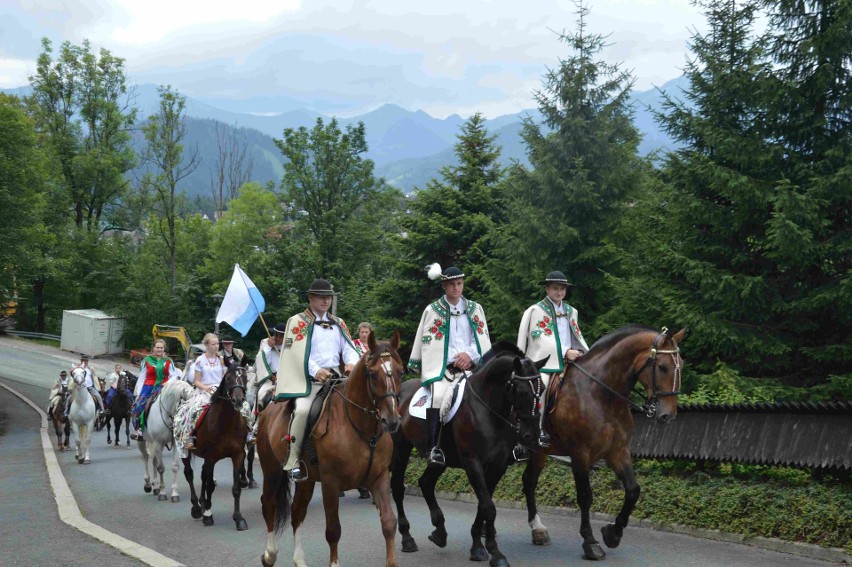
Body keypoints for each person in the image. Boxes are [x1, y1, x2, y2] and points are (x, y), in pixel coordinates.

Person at [274, 278, 360, 481]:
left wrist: (351, 363)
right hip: (309, 380)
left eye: (329, 297)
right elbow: (295, 352)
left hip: (336, 377)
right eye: (322, 297)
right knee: (303, 411)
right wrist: (316, 370)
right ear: (311, 298)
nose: (326, 301)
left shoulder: (338, 323)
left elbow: (349, 348)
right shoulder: (297, 321)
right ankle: (293, 459)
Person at [409, 264, 491, 467]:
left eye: (460, 284)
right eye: (452, 284)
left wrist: (469, 355)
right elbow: (428, 343)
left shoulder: (475, 309)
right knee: (437, 396)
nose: (456, 288)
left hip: (471, 369)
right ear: (444, 286)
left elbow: (481, 339)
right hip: (444, 371)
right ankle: (434, 448)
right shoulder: (432, 310)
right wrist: (451, 360)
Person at [517, 270, 589, 448]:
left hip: (571, 360)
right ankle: (538, 430)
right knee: (540, 386)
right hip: (546, 362)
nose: (559, 292)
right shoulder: (536, 311)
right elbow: (539, 338)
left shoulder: (571, 311)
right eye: (555, 288)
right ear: (547, 289)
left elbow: (576, 336)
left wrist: (580, 352)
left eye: (562, 289)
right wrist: (565, 352)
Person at [177, 333, 252, 453]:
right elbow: (196, 381)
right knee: (194, 408)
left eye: (217, 344)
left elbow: (225, 377)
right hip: (204, 389)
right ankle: (190, 436)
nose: (216, 346)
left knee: (245, 406)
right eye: (213, 344)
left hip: (220, 389)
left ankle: (249, 432)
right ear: (206, 345)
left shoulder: (222, 360)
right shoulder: (200, 360)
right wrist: (206, 388)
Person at [131, 339, 181, 439]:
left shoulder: (168, 361)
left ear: (164, 349)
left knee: (179, 404)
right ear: (153, 348)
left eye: (161, 348)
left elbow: (174, 375)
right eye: (157, 347)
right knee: (138, 407)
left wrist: (168, 382)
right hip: (149, 386)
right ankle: (139, 429)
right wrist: (139, 393)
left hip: (164, 386)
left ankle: (179, 428)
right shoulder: (147, 360)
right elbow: (142, 377)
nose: (159, 349)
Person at [247, 324, 286, 446]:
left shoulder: (290, 345)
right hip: (271, 379)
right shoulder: (265, 345)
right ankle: (257, 425)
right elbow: (263, 361)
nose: (279, 338)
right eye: (277, 335)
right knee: (261, 394)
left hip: (287, 379)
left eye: (282, 336)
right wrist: (269, 348)